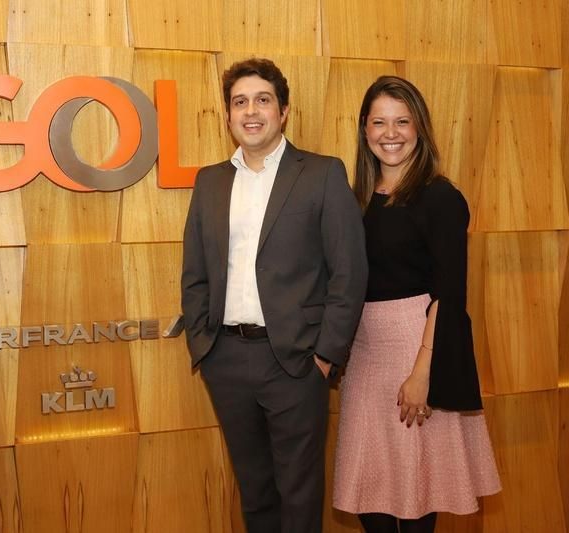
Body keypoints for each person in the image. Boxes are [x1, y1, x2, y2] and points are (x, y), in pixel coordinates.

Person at [181, 58, 367, 533]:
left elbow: (349, 272)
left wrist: (325, 356)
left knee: (299, 493)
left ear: (283, 111)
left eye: (262, 100)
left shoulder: (322, 174)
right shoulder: (210, 181)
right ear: (227, 115)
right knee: (255, 491)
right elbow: (195, 272)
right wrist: (204, 343)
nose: (251, 111)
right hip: (225, 358)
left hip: (296, 362)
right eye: (239, 102)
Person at [332, 76, 501, 533]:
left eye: (402, 122)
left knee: (417, 495)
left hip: (417, 346)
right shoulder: (356, 200)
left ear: (419, 128)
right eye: (379, 122)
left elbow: (450, 292)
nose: (391, 133)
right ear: (364, 129)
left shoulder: (440, 197)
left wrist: (423, 372)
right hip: (365, 357)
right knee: (369, 492)